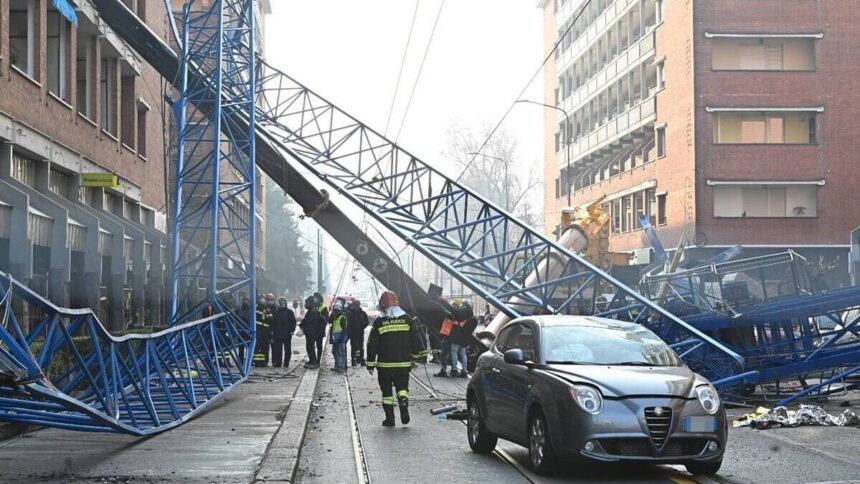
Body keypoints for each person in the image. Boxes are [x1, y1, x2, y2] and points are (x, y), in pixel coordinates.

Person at [367, 291, 427, 427]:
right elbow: (416, 339)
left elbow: (372, 344)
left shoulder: (379, 322)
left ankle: (390, 419)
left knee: (387, 392)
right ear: (396, 302)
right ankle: (403, 402)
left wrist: (370, 363)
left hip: (385, 366)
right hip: (403, 363)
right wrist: (417, 356)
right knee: (402, 387)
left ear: (382, 305)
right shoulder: (407, 319)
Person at [449, 301, 478, 378]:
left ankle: (454, 370)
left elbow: (457, 314)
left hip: (458, 335)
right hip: (465, 337)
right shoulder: (470, 314)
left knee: (454, 352)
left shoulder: (464, 310)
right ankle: (464, 371)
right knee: (463, 353)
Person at [271, 297, 297, 368]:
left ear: (285, 303)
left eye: (283, 302)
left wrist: (292, 330)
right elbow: (273, 323)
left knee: (287, 349)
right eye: (280, 302)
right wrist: (272, 331)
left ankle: (286, 363)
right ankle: (278, 363)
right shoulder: (276, 312)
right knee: (278, 350)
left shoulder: (290, 312)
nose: (282, 303)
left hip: (287, 334)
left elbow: (293, 322)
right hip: (278, 334)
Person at [300, 296, 325, 368]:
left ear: (310, 303)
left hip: (312, 332)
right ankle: (311, 360)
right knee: (309, 347)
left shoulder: (313, 311)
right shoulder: (311, 310)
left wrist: (302, 324)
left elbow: (308, 321)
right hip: (310, 332)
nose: (305, 305)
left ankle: (313, 362)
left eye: (306, 303)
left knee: (310, 347)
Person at [346, 299, 369, 366]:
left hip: (358, 332)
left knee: (358, 347)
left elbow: (366, 322)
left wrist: (362, 327)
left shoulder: (362, 313)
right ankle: (355, 361)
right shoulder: (351, 313)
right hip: (354, 332)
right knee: (355, 347)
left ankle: (359, 360)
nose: (355, 307)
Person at [329, 298, 349, 372]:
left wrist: (341, 338)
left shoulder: (342, 317)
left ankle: (341, 366)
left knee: (341, 352)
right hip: (335, 338)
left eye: (336, 310)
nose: (335, 312)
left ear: (340, 310)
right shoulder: (334, 317)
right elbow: (329, 321)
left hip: (341, 338)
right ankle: (337, 365)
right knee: (334, 351)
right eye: (334, 310)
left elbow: (344, 329)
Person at [253, 294, 272, 367]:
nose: (263, 300)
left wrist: (266, 315)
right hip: (258, 330)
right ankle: (257, 362)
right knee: (257, 347)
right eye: (261, 299)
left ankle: (263, 361)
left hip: (265, 331)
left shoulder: (267, 309)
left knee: (264, 347)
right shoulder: (256, 308)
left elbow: (271, 319)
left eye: (264, 299)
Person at [313, 292, 328, 361]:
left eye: (316, 298)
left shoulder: (324, 308)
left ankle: (318, 359)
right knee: (311, 345)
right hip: (313, 330)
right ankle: (313, 359)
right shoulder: (313, 307)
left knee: (319, 345)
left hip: (320, 330)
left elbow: (325, 321)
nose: (314, 299)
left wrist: (319, 315)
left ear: (319, 299)